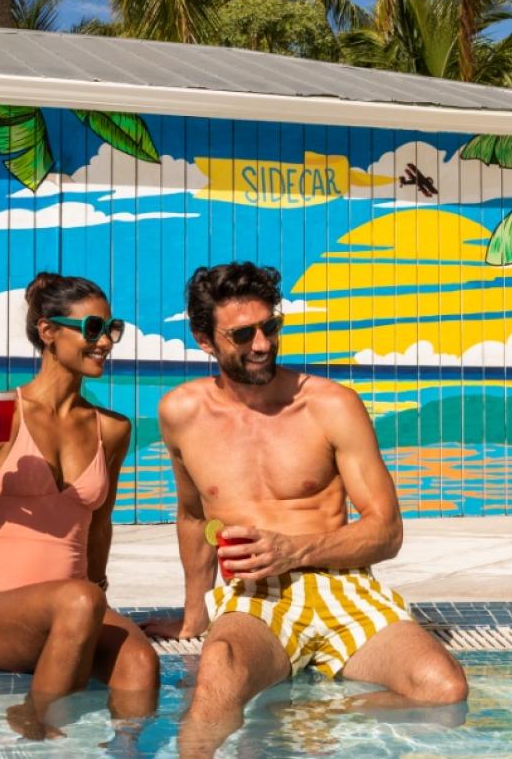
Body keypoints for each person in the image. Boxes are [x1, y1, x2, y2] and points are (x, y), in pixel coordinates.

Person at [144, 262, 468, 756]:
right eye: (242, 334)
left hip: (343, 583)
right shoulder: (180, 414)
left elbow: (387, 531)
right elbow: (192, 516)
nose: (262, 344)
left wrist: (294, 549)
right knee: (214, 685)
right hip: (255, 594)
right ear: (204, 341)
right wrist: (193, 617)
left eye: (270, 327)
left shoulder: (330, 405)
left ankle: (300, 717)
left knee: (442, 690)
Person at [0, 272, 158, 738]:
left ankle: (124, 751)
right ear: (48, 331)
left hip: (75, 609)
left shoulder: (113, 429)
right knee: (81, 599)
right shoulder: (2, 411)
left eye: (111, 328)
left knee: (140, 659)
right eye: (91, 329)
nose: (104, 341)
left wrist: (102, 599)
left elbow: (99, 526)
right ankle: (36, 732)